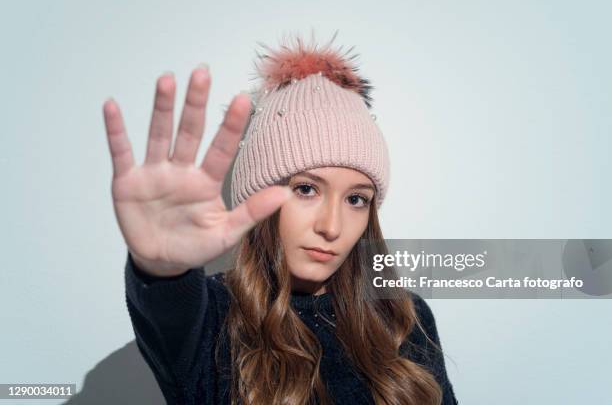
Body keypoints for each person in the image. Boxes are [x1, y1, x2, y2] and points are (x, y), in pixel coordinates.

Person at [103, 32, 459, 405]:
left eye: (356, 199)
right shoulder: (212, 317)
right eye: (306, 189)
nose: (331, 227)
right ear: (259, 197)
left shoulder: (404, 318)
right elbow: (169, 307)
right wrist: (163, 268)